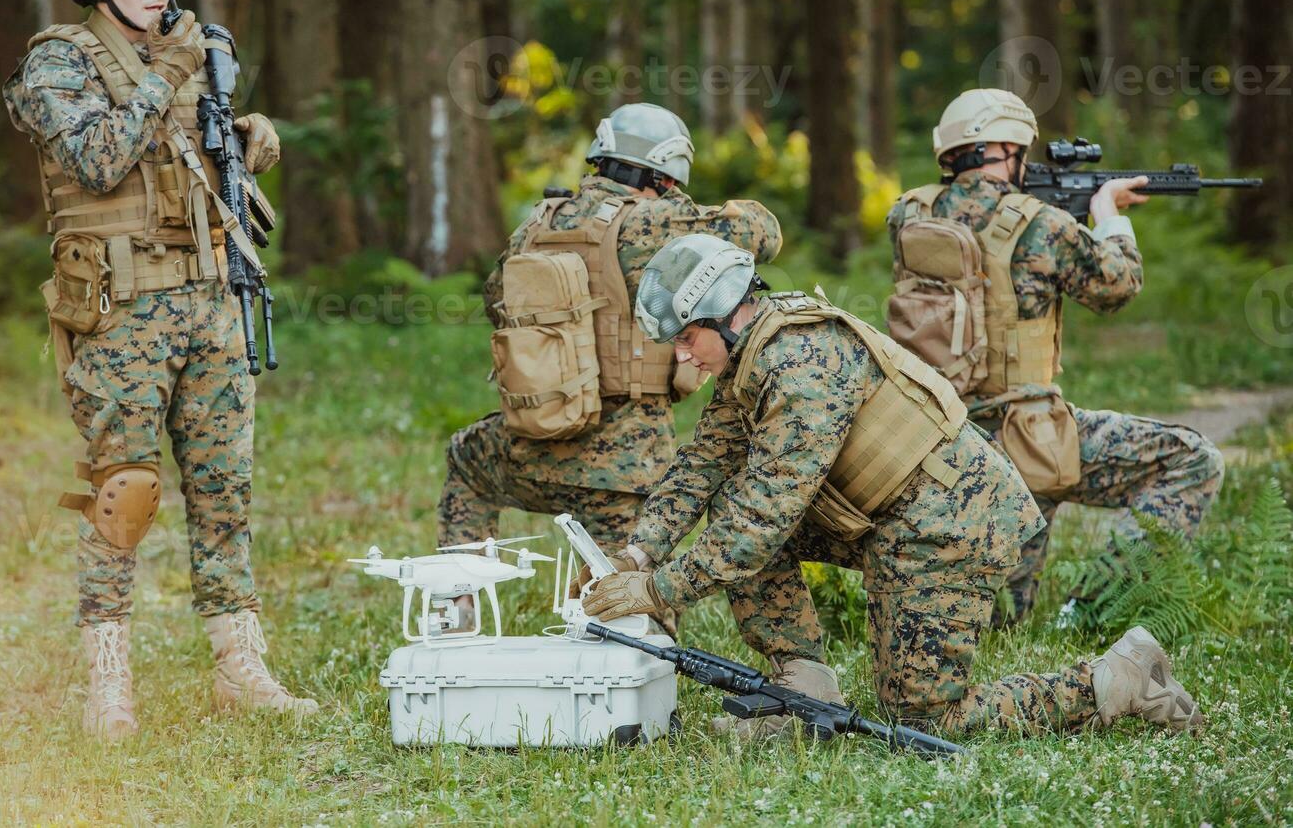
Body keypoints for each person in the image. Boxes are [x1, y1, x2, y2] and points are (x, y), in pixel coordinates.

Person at [582, 234, 1203, 737]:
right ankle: (804, 691)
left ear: (726, 313)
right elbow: (703, 465)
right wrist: (636, 553)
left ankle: (1119, 678)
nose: (683, 358)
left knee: (923, 721)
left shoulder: (801, 366)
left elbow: (761, 521)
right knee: (728, 501)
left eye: (687, 339)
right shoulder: (756, 355)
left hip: (949, 529)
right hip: (893, 519)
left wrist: (659, 589)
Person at [3, 0, 309, 740]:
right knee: (124, 496)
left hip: (209, 299)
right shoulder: (57, 63)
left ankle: (239, 666)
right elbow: (98, 160)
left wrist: (240, 142)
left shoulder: (184, 58)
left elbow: (190, 163)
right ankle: (109, 686)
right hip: (120, 311)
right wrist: (170, 73)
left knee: (225, 491)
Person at [886, 89, 1223, 625]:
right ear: (1004, 146)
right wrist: (1107, 217)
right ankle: (1091, 611)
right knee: (1192, 458)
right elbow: (1119, 286)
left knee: (998, 625)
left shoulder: (908, 212)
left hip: (935, 440)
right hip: (1027, 440)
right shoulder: (1043, 224)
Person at [438, 103, 781, 563]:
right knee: (628, 597)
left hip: (531, 444)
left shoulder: (537, 223)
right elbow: (764, 233)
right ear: (664, 174)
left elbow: (495, 303)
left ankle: (458, 599)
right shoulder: (656, 223)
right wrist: (675, 205)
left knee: (466, 461)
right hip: (628, 465)